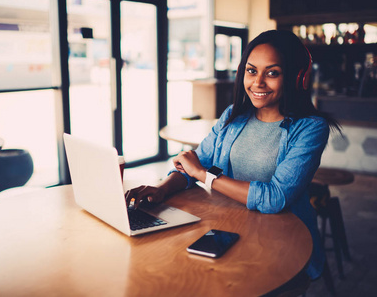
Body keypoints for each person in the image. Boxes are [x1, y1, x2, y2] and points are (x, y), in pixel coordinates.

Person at [125, 30, 340, 281]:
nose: (258, 82)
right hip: (230, 227)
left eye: (272, 73)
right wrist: (162, 189)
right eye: (251, 70)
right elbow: (197, 163)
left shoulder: (311, 128)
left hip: (284, 240)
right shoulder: (232, 116)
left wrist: (204, 176)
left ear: (297, 78)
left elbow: (275, 198)